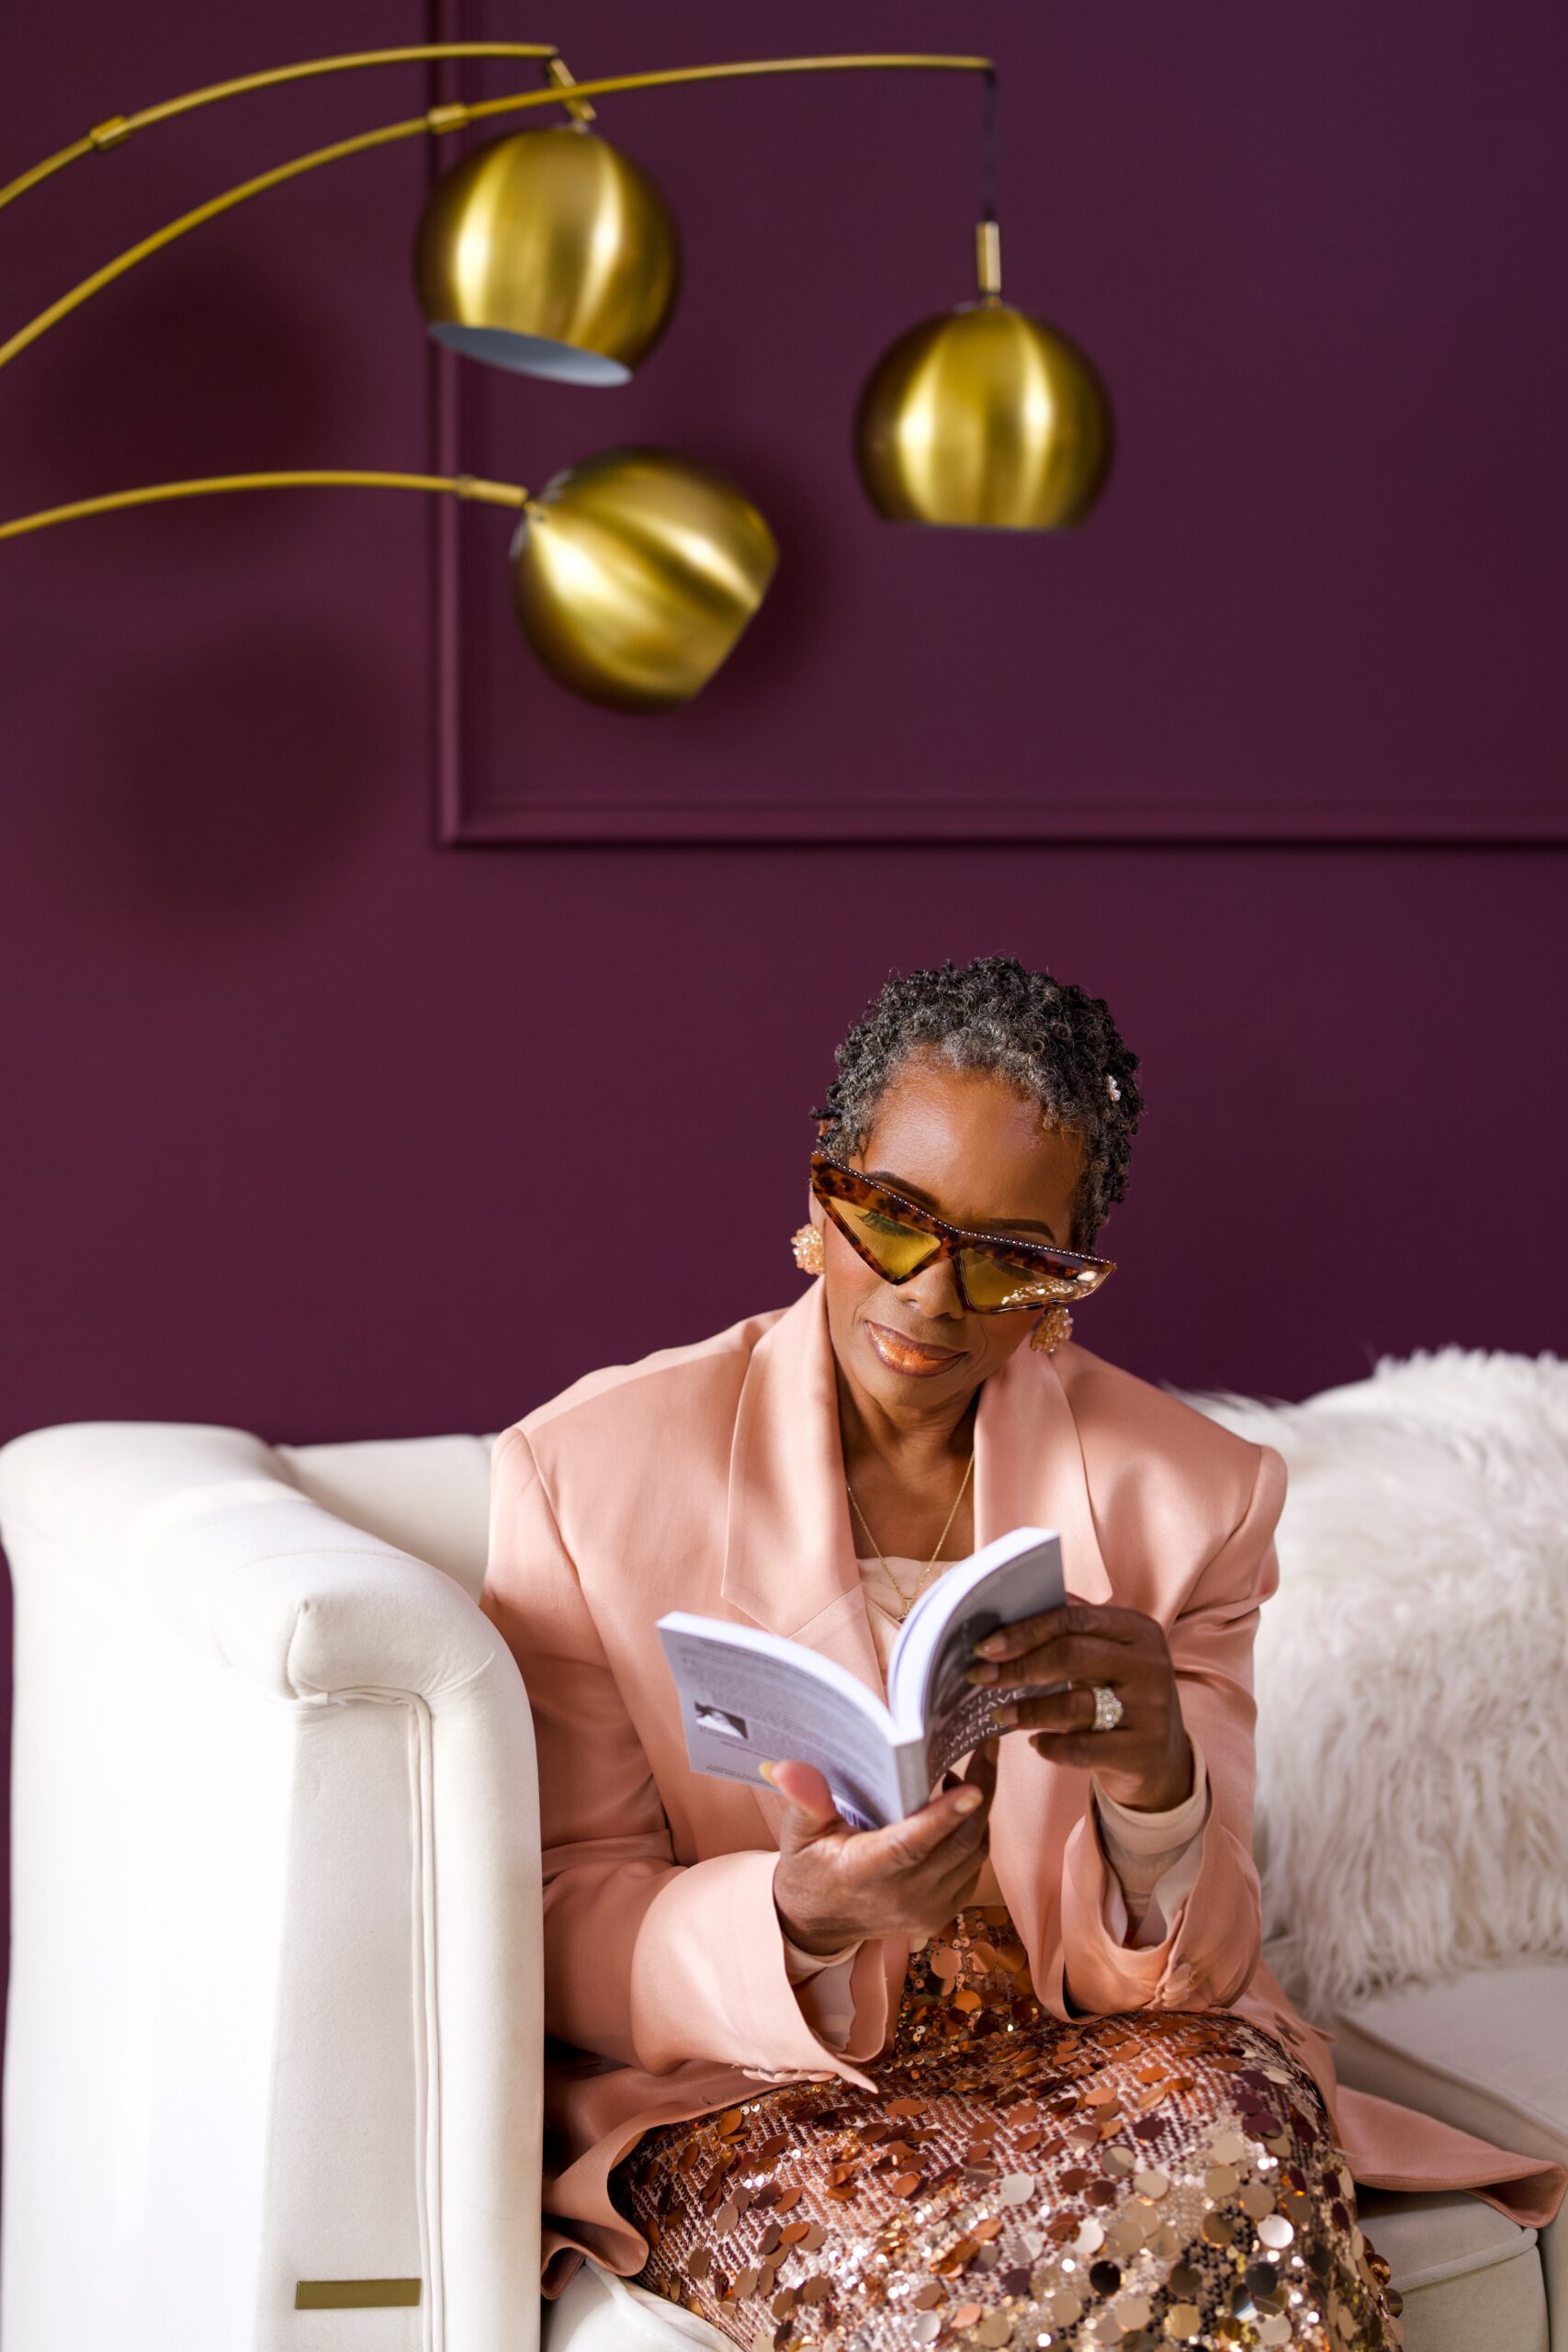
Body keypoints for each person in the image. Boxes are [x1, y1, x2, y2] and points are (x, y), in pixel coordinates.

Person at [481, 955, 1562, 2352]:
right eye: (895, 1219)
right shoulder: (584, 1476)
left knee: (1245, 2155)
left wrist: (1159, 1794)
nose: (934, 1296)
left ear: (1065, 1281)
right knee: (953, 2278)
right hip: (762, 2079)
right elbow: (556, 1917)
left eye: (1006, 1257)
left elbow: (1205, 1974)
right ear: (822, 1192)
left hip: (1092, 2037)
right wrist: (799, 1918)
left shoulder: (1198, 1495)